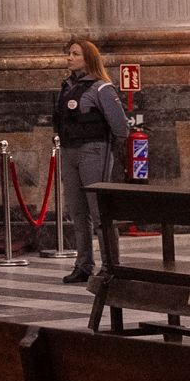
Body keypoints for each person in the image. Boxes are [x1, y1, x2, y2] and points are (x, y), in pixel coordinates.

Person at [55, 38, 128, 283]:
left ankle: (110, 266)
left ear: (88, 58)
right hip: (69, 151)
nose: (69, 57)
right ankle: (83, 265)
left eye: (75, 54)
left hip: (93, 151)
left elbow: (120, 127)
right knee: (77, 212)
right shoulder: (66, 87)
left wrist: (111, 154)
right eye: (69, 54)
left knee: (99, 213)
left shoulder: (101, 88)